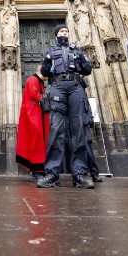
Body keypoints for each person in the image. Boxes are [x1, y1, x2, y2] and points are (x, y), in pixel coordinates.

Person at [36, 24, 95, 189]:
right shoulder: (49, 51)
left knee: (79, 130)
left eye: (66, 31)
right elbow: (46, 73)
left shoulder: (77, 50)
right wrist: (47, 60)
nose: (64, 33)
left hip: (76, 86)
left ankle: (80, 175)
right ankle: (52, 174)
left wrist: (82, 56)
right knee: (56, 130)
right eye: (61, 31)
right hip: (58, 86)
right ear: (56, 35)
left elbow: (87, 69)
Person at [16, 66, 49, 179]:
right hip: (34, 116)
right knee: (36, 142)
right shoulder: (32, 80)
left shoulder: (38, 82)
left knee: (40, 141)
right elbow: (34, 94)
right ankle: (36, 171)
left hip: (38, 116)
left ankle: (41, 169)